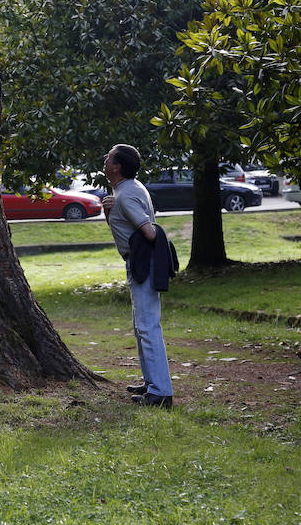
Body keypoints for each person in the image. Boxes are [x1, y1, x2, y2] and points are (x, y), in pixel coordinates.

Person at [102, 144, 174, 408]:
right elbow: (124, 225)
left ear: (117, 166)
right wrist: (110, 212)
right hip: (139, 263)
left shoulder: (126, 195)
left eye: (109, 157)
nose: (105, 159)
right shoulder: (128, 189)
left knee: (148, 327)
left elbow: (150, 233)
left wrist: (118, 207)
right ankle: (151, 383)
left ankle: (161, 392)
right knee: (141, 326)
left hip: (143, 264)